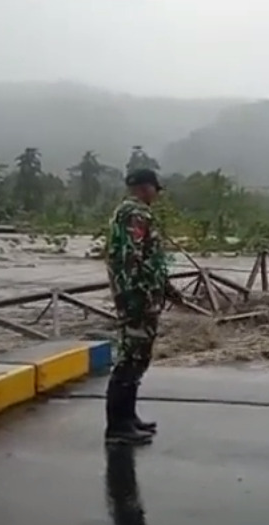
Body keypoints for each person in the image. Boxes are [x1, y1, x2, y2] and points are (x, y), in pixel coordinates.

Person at [104, 168, 180, 445]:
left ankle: (128, 417)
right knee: (131, 357)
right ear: (145, 188)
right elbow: (129, 259)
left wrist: (166, 289)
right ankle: (118, 426)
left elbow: (150, 260)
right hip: (138, 298)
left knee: (139, 357)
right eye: (155, 189)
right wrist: (135, 297)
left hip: (144, 296)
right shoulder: (134, 213)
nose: (156, 195)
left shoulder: (133, 213)